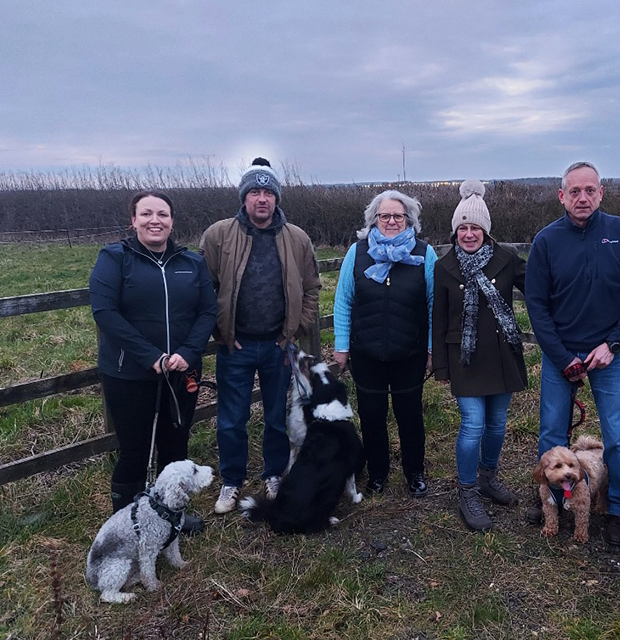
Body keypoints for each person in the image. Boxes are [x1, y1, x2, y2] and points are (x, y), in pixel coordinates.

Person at [525, 162, 620, 546]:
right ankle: (549, 497)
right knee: (551, 431)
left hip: (609, 354)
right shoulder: (546, 241)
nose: (583, 198)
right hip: (560, 353)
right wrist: (562, 356)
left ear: (602, 193)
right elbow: (537, 304)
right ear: (562, 196)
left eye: (590, 190)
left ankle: (617, 509)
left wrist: (613, 344)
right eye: (574, 191)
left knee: (618, 437)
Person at [90, 190, 217, 534]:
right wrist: (151, 357)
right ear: (133, 221)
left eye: (162, 214)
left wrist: (188, 353)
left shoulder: (192, 262)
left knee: (175, 448)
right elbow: (105, 312)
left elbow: (207, 311)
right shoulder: (114, 258)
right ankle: (125, 524)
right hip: (129, 374)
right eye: (146, 214)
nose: (155, 220)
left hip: (181, 372)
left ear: (172, 221)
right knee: (134, 450)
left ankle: (170, 517)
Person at [199, 158, 321, 514]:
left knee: (274, 417)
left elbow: (312, 287)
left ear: (277, 198)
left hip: (277, 346)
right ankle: (231, 481)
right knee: (231, 419)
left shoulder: (296, 238)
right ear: (244, 197)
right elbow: (202, 287)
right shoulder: (218, 235)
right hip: (234, 346)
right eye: (255, 191)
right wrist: (218, 331)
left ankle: (273, 474)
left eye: (268, 192)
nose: (262, 199)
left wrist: (297, 329)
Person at [432, 180, 527, 531]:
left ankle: (488, 477)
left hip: (502, 355)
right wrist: (440, 365)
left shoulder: (505, 259)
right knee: (473, 425)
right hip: (465, 359)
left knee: (498, 424)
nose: (468, 234)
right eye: (462, 228)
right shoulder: (443, 267)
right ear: (455, 230)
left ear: (485, 231)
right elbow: (438, 319)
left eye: (475, 228)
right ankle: (468, 491)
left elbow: (538, 287)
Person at [333, 190, 437, 497]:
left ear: (409, 220)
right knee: (371, 415)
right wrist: (341, 346)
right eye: (385, 216)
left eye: (398, 216)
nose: (391, 221)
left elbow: (433, 304)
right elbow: (343, 301)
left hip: (410, 352)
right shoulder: (358, 252)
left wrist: (431, 349)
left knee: (410, 415)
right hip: (367, 352)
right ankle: (377, 473)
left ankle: (414, 472)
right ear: (373, 220)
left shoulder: (424, 253)